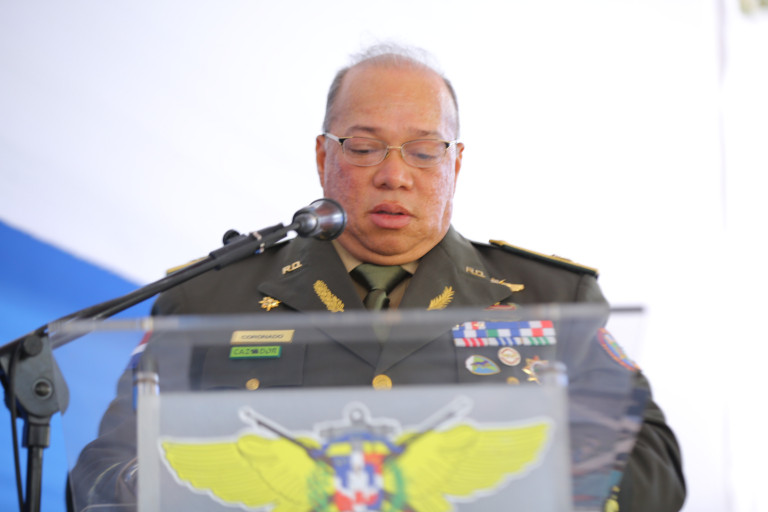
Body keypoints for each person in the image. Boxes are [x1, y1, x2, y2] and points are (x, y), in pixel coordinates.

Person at [69, 44, 685, 511]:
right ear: (324, 157)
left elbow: (652, 467)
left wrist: (529, 488)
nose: (395, 175)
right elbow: (103, 471)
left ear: (455, 164)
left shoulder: (552, 298)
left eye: (423, 150)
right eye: (364, 148)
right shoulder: (208, 297)